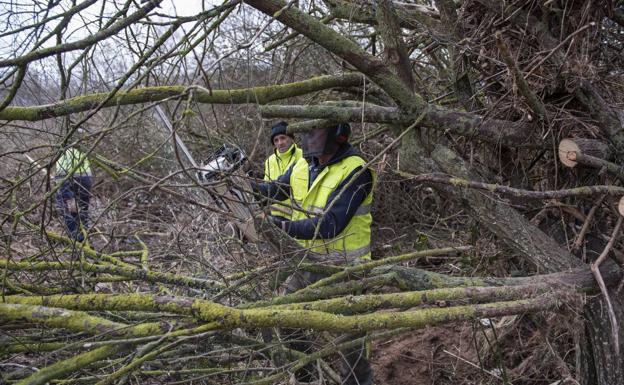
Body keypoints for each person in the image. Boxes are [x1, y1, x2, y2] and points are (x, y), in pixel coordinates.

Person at [254, 122, 374, 385]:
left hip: (345, 268)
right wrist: (243, 185)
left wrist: (283, 227)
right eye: (307, 132)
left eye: (316, 132)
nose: (310, 138)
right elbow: (276, 189)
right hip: (307, 261)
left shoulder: (356, 170)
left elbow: (331, 223)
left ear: (336, 135)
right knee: (285, 315)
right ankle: (307, 375)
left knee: (349, 341)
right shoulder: (303, 164)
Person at [263, 121, 302, 219]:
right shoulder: (269, 161)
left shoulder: (303, 156)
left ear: (292, 138)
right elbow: (266, 187)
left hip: (298, 216)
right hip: (276, 215)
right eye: (276, 140)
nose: (280, 143)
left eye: (283, 138)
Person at [54, 147, 92, 242]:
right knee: (83, 207)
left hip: (66, 178)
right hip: (85, 177)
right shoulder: (81, 147)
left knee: (70, 208)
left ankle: (77, 237)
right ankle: (84, 232)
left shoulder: (61, 148)